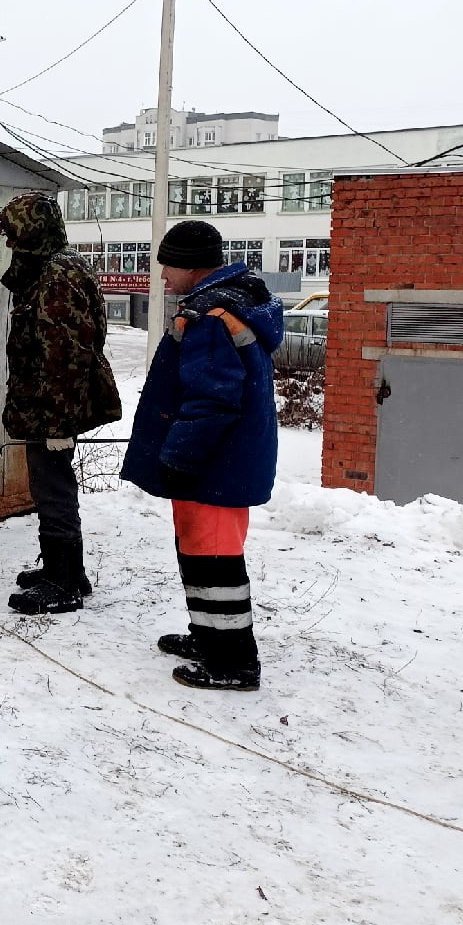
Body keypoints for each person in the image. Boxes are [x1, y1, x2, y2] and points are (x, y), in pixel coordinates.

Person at [121, 219, 283, 691]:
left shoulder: (211, 316)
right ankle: (210, 637)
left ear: (191, 265)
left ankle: (233, 663)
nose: (163, 276)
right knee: (200, 551)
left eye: (167, 265)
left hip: (214, 463)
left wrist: (181, 457)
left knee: (215, 559)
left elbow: (212, 400)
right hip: (222, 459)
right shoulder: (228, 304)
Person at [0, 192, 121, 615]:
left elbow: (64, 357)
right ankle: (66, 571)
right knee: (51, 486)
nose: (9, 245)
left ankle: (62, 582)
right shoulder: (51, 268)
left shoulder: (57, 276)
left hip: (53, 409)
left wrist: (58, 426)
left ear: (32, 232)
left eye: (13, 235)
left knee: (53, 489)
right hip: (46, 406)